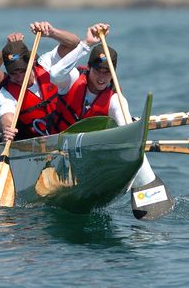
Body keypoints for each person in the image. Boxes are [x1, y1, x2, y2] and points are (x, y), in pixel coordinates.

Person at [48, 23, 158, 189]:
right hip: (55, 152)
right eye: (98, 70)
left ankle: (144, 184)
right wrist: (85, 44)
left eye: (107, 71)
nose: (102, 76)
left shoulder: (115, 100)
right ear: (89, 67)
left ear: (113, 72)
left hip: (88, 159)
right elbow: (55, 74)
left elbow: (129, 134)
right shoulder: (72, 81)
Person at [0, 21, 80, 141]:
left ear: (31, 63)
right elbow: (6, 114)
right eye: (13, 74)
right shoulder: (6, 93)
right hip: (41, 141)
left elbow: (74, 44)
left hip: (71, 129)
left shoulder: (46, 63)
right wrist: (7, 129)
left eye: (23, 71)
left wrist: (52, 33)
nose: (19, 78)